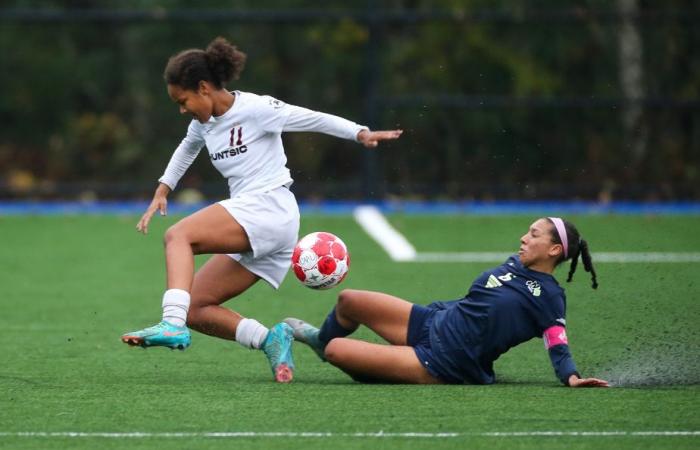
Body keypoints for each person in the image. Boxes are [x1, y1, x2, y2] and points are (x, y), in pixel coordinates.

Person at [120, 36, 403, 383]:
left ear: (204, 88)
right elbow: (186, 149)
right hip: (261, 223)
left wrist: (359, 133)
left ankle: (171, 324)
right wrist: (163, 191)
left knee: (179, 235)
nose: (183, 109)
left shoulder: (256, 108)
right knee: (196, 307)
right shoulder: (202, 124)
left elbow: (310, 118)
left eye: (183, 101)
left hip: (268, 206)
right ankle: (270, 338)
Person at [285, 217, 610, 387]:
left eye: (535, 235)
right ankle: (319, 337)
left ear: (554, 250)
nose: (525, 238)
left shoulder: (550, 296)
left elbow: (557, 341)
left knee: (337, 352)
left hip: (448, 362)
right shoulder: (514, 263)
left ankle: (390, 366)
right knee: (348, 300)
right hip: (433, 322)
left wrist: (571, 376)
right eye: (528, 232)